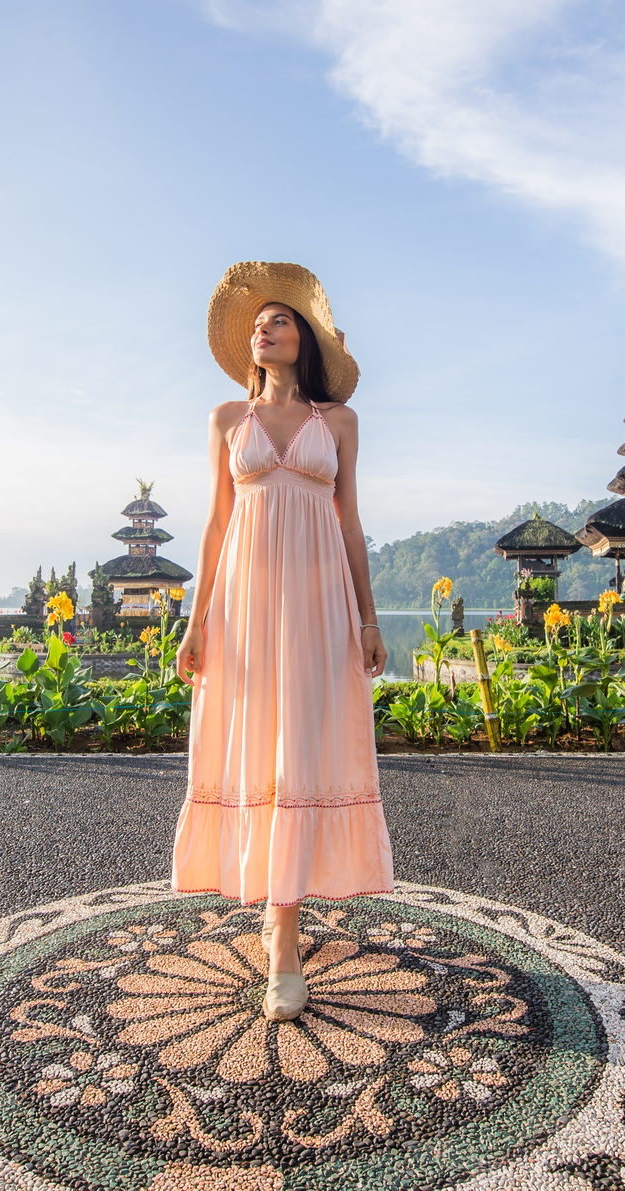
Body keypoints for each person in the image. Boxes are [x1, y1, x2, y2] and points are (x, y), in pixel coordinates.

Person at [173, 261, 393, 1024]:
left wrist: (369, 617)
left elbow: (351, 523)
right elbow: (215, 523)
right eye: (260, 322)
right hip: (244, 603)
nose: (268, 329)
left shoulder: (338, 425)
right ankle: (275, 921)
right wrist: (195, 619)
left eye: (283, 320)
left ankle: (287, 936)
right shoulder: (226, 422)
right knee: (257, 745)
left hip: (318, 603)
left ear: (305, 340)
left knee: (302, 748)